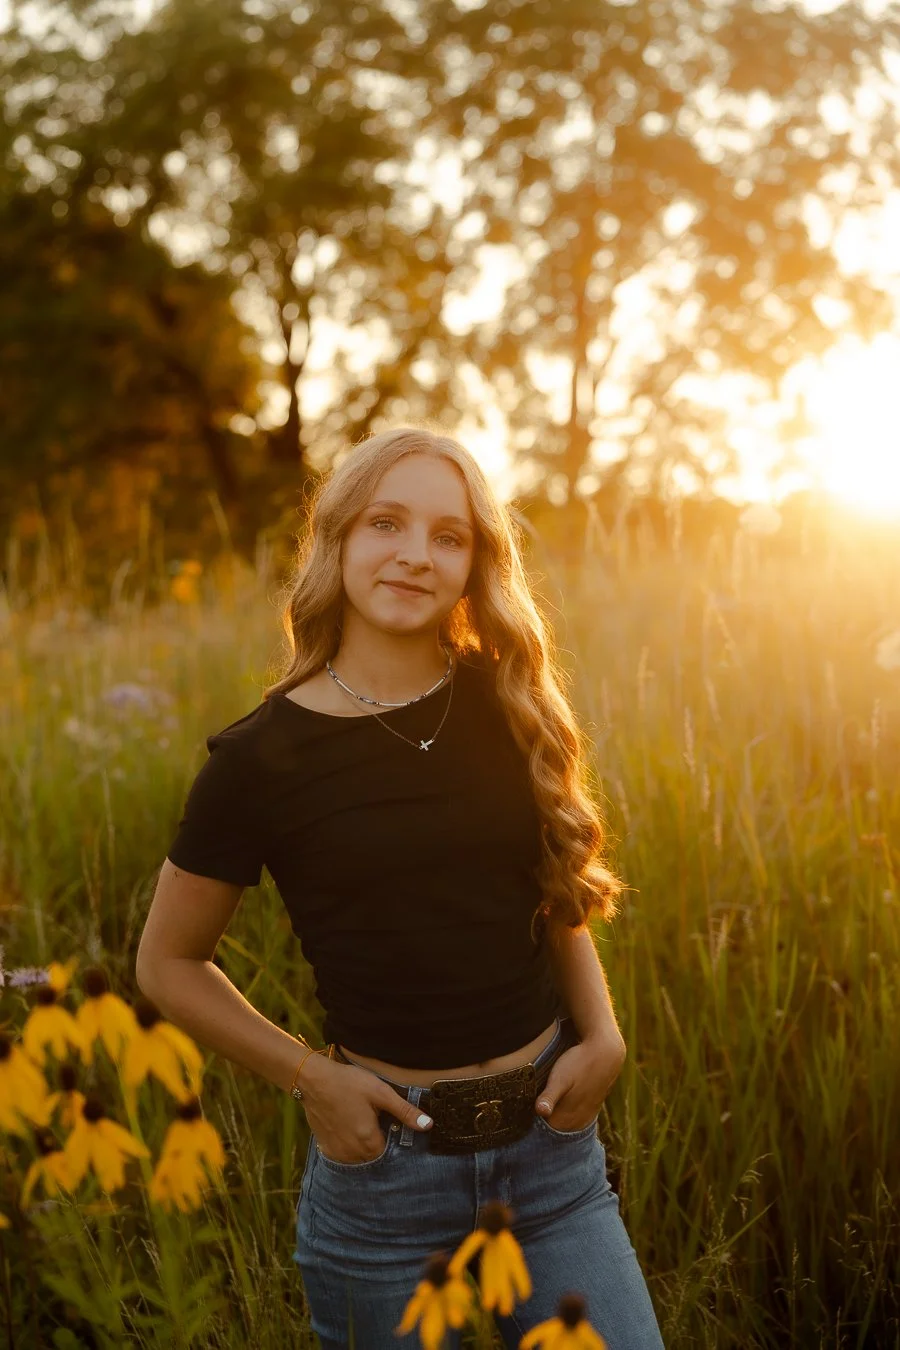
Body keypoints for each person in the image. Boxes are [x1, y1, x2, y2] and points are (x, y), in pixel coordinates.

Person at [136, 426, 665, 1350]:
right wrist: (312, 1080)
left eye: (448, 536)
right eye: (388, 523)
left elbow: (554, 894)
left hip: (552, 1164)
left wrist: (606, 1032)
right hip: (384, 1183)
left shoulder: (509, 704)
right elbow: (168, 963)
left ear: (474, 565)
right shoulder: (257, 761)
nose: (416, 556)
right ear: (336, 536)